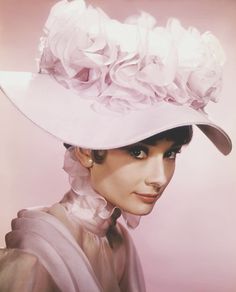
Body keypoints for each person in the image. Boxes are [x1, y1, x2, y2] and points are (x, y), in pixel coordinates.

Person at [0, 0, 232, 291]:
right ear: (86, 149)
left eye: (170, 153)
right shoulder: (32, 260)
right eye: (138, 152)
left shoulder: (118, 243)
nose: (159, 177)